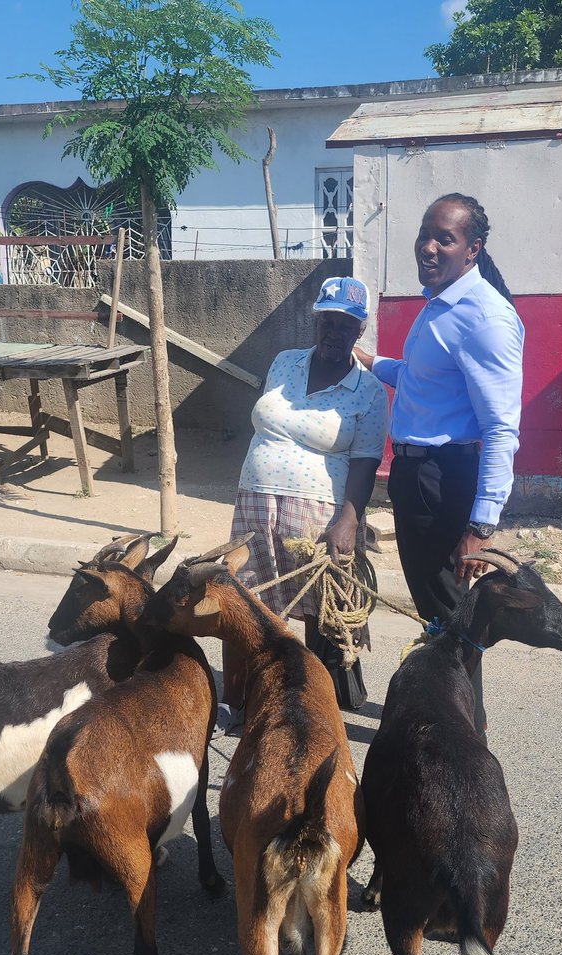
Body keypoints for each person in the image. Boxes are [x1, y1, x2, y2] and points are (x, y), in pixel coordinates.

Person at [353, 193, 524, 737]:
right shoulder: (440, 303)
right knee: (438, 611)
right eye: (425, 233)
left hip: (443, 479)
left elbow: (501, 427)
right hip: (415, 475)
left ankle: (464, 734)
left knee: (451, 616)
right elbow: (422, 380)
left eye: (444, 238)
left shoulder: (484, 317)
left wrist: (481, 526)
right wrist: (371, 361)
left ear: (472, 249)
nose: (428, 246)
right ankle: (457, 719)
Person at [217, 275, 390, 736]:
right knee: (245, 602)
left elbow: (366, 460)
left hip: (317, 515)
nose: (334, 332)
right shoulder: (284, 363)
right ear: (316, 322)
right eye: (326, 322)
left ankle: (306, 708)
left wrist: (348, 521)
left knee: (317, 613)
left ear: (360, 330)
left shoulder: (368, 392)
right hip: (253, 505)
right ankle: (237, 702)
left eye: (345, 325)